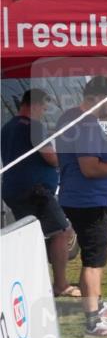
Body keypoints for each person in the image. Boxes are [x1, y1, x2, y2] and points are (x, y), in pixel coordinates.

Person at [54, 76, 107, 338]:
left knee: (93, 255)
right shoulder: (86, 123)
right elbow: (89, 168)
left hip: (77, 197)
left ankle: (96, 305)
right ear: (98, 98)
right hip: (87, 200)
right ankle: (93, 321)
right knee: (94, 260)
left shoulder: (70, 117)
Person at [1, 89, 79, 297]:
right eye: (43, 108)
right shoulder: (33, 127)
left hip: (13, 189)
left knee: (32, 236)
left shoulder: (7, 128)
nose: (43, 113)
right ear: (33, 105)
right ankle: (61, 285)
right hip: (35, 191)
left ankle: (32, 282)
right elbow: (50, 157)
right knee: (62, 231)